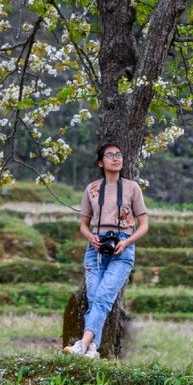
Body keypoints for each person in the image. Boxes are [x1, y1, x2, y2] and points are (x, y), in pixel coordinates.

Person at [64, 143, 149, 358]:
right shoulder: (92, 189)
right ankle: (93, 349)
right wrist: (90, 237)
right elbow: (83, 224)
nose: (116, 158)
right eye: (110, 155)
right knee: (95, 297)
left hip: (123, 246)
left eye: (118, 154)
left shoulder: (132, 188)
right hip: (96, 247)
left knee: (102, 297)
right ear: (101, 162)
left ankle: (81, 345)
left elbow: (144, 225)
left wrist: (127, 242)